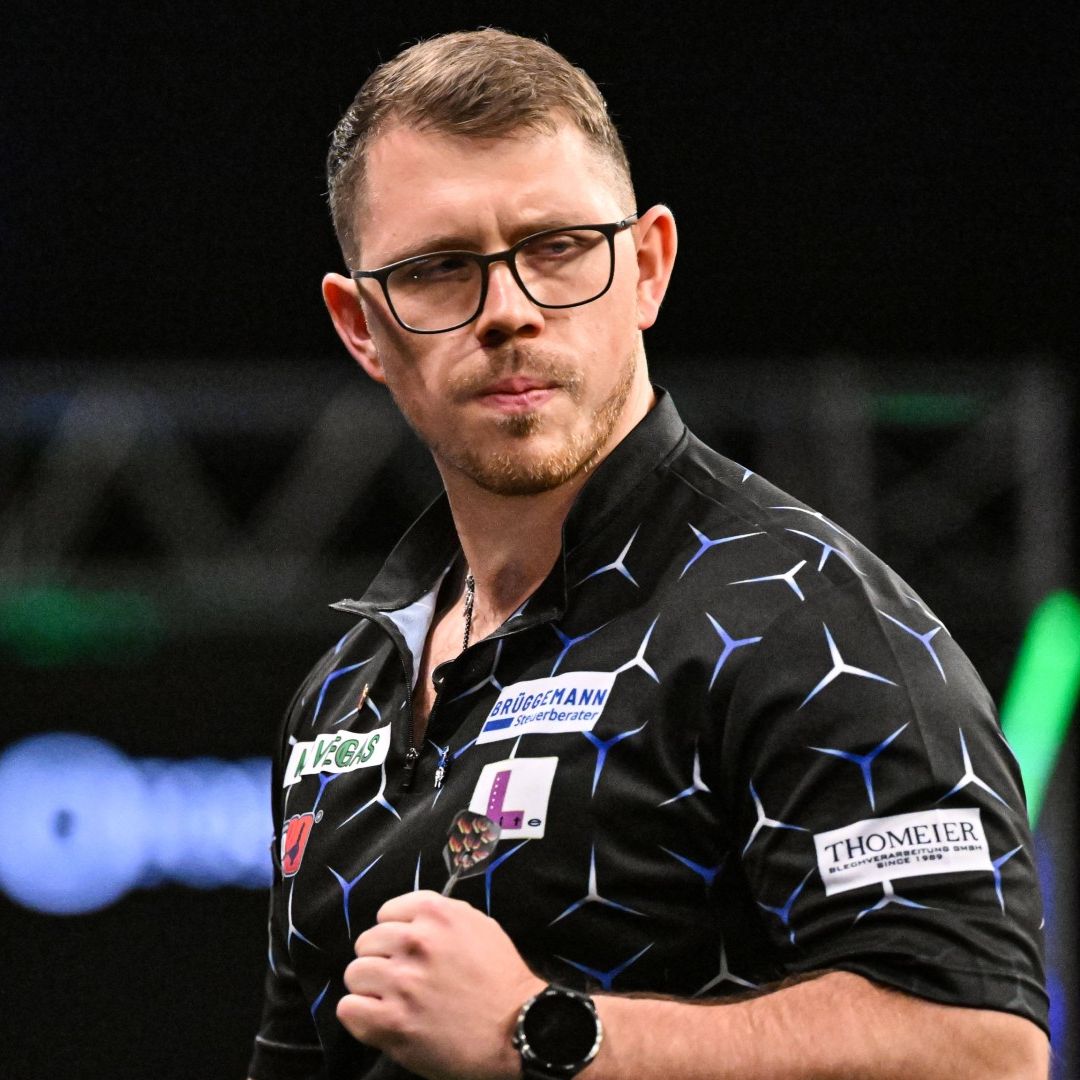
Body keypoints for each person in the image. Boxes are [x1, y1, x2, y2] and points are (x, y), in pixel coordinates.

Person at [248, 28, 1049, 1080]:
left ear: (647, 267)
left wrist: (541, 1030)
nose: (509, 312)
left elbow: (982, 1048)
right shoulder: (343, 694)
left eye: (557, 247)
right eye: (439, 270)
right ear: (361, 326)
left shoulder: (805, 618)